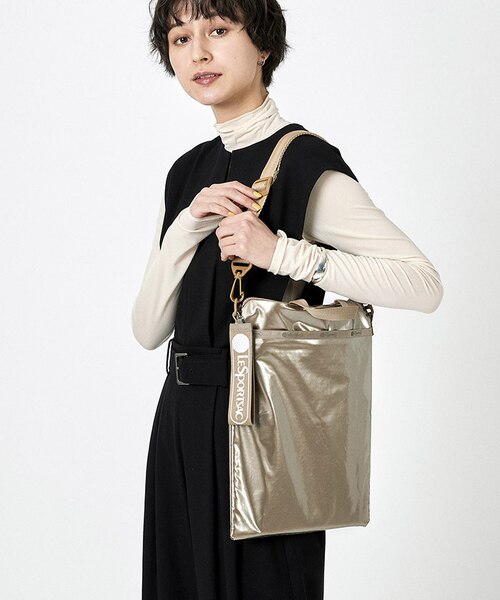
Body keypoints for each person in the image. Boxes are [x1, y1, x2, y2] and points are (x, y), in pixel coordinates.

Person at [132, 1, 443, 598]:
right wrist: (188, 225)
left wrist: (280, 253)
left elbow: (422, 284)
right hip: (181, 423)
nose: (198, 52)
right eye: (180, 37)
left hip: (268, 425)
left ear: (263, 45)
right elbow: (148, 330)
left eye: (218, 29)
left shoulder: (304, 164)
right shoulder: (186, 174)